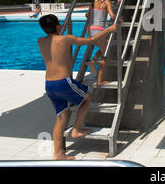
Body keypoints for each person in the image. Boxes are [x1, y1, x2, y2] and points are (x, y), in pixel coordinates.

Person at [37, 14, 117, 160]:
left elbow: (59, 47)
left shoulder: (41, 41)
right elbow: (92, 40)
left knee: (62, 117)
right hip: (63, 82)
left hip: (49, 85)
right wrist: (110, 29)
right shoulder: (65, 39)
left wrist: (67, 28)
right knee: (87, 98)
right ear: (57, 26)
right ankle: (76, 129)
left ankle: (58, 153)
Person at [85, 0, 116, 86]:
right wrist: (119, 19)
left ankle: (93, 60)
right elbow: (112, 16)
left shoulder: (93, 1)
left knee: (104, 48)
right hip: (99, 31)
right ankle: (99, 81)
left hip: (90, 30)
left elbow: (87, 15)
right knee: (105, 55)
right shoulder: (107, 2)